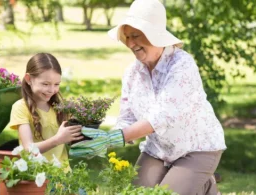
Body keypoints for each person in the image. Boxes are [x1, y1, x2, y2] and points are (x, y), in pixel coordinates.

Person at [69, 0, 227, 194]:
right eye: (127, 37)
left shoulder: (182, 65)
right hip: (158, 149)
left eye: (135, 36)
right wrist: (102, 139)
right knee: (136, 193)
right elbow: (127, 118)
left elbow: (161, 116)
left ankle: (204, 184)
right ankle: (196, 183)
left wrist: (114, 138)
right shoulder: (132, 73)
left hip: (197, 148)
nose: (130, 43)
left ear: (155, 35)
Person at [9, 53, 83, 162]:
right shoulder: (21, 107)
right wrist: (58, 139)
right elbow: (28, 149)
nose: (51, 90)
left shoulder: (60, 107)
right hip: (35, 175)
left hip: (63, 175)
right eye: (45, 84)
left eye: (56, 84)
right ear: (29, 79)